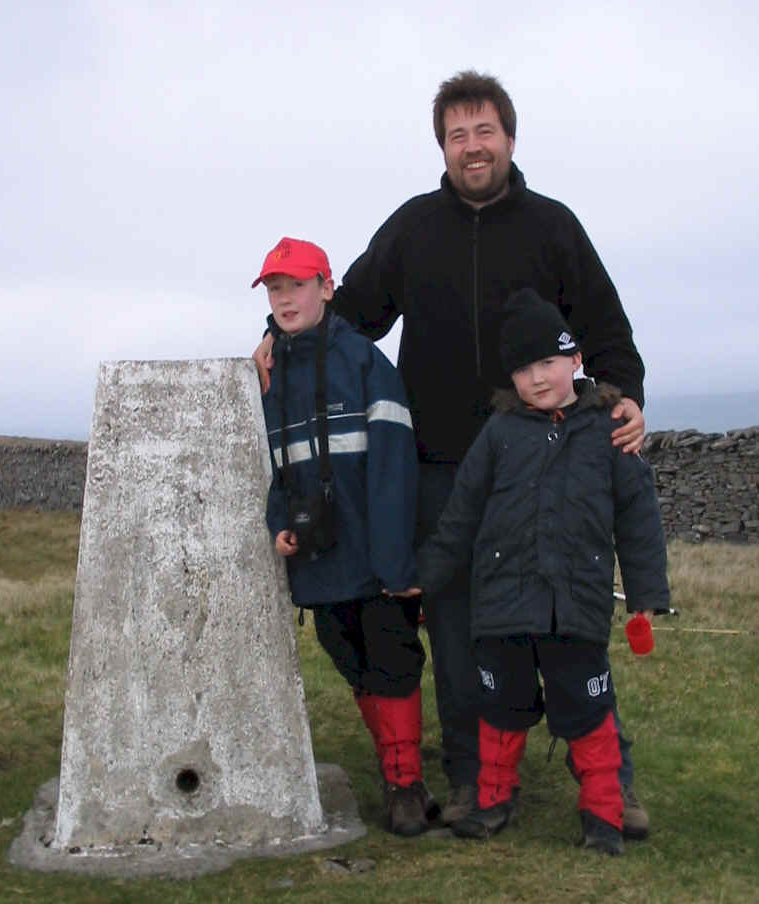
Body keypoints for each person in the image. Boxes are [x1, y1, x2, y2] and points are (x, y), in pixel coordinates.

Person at [253, 70, 651, 837]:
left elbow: (605, 326)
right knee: (462, 627)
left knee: (570, 624)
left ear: (508, 136)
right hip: (440, 467)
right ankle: (472, 779)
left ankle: (609, 777)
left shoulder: (553, 226)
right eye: (457, 134)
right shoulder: (412, 228)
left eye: (484, 131)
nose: (472, 147)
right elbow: (350, 315)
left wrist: (624, 388)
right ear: (442, 146)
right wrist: (279, 339)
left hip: (546, 459)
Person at [415, 288, 670, 854]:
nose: (537, 377)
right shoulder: (499, 434)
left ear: (575, 359)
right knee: (500, 709)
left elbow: (638, 516)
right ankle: (493, 801)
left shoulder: (609, 428)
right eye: (524, 368)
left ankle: (604, 815)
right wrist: (428, 573)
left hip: (576, 606)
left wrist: (648, 594)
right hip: (502, 605)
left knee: (587, 710)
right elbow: (462, 512)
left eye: (548, 362)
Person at [253, 236, 435, 837]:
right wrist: (280, 524)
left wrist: (397, 564)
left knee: (393, 663)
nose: (285, 299)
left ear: (327, 289)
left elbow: (394, 468)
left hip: (374, 558)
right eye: (276, 289)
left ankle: (405, 786)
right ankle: (397, 768)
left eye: (297, 285)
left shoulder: (365, 363)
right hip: (317, 559)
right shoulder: (267, 373)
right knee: (351, 662)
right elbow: (270, 467)